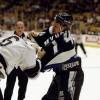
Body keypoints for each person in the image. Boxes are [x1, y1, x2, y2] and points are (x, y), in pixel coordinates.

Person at [31, 12, 84, 100]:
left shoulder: (64, 43)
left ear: (64, 27)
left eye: (56, 25)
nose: (53, 27)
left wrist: (38, 57)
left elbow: (40, 67)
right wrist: (35, 36)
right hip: (60, 74)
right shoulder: (57, 32)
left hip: (71, 76)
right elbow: (45, 36)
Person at [3, 21, 43, 100]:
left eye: (22, 28)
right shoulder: (11, 38)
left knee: (23, 86)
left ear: (24, 28)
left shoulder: (27, 38)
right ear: (15, 28)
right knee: (9, 86)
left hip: (24, 66)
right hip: (13, 66)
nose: (20, 29)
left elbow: (36, 47)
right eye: (18, 27)